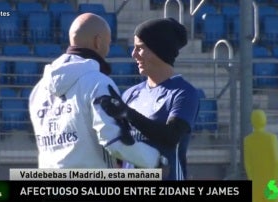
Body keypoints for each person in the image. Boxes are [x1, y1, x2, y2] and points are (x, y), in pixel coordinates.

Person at [28, 13, 162, 169]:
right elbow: (115, 141)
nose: (108, 49)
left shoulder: (38, 90)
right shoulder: (97, 83)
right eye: (108, 43)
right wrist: (155, 160)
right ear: (98, 42)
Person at [96, 17, 199, 180]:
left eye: (140, 48)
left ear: (159, 50)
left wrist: (127, 114)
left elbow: (171, 137)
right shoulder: (131, 94)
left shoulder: (183, 92)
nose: (133, 54)